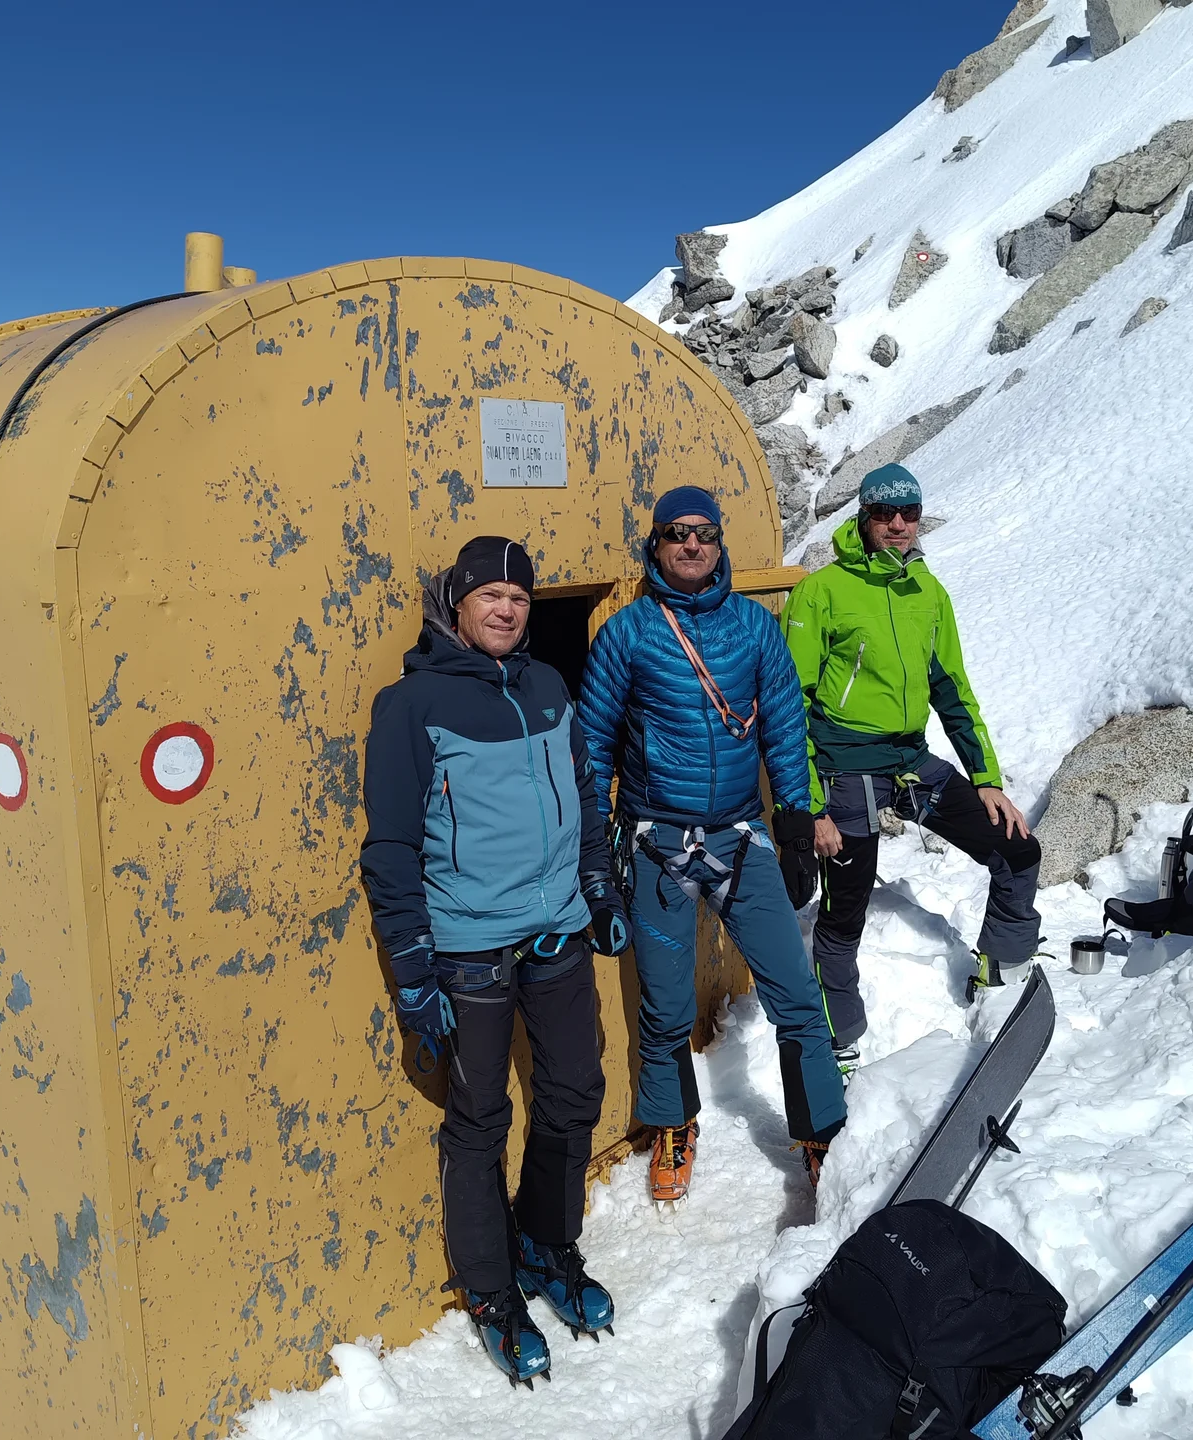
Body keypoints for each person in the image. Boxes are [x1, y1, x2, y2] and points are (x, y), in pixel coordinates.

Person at [360, 535, 631, 1388]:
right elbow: (391, 850)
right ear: (458, 604)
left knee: (574, 1091)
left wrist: (599, 885)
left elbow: (586, 792)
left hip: (555, 933)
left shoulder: (548, 684)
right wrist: (413, 975)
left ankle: (549, 1243)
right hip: (468, 953)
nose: (509, 608)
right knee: (479, 1123)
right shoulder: (411, 706)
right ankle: (490, 1290)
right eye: (491, 595)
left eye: (520, 595)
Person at [578, 486, 846, 1203]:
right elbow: (594, 747)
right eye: (676, 534)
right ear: (656, 547)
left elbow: (786, 729)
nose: (691, 545)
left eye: (704, 533)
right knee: (664, 1009)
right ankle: (673, 1126)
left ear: (720, 543)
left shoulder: (755, 630)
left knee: (793, 990)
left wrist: (794, 824)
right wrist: (594, 852)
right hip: (655, 840)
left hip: (740, 836)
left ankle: (822, 1132)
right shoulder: (627, 634)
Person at [782, 464, 1043, 1061]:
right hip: (846, 769)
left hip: (910, 761)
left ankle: (996, 971)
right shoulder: (820, 592)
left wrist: (987, 780)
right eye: (884, 513)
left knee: (1016, 847)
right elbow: (789, 704)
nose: (897, 525)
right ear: (864, 517)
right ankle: (838, 1041)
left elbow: (952, 688)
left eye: (909, 514)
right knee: (845, 908)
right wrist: (812, 805)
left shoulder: (929, 592)